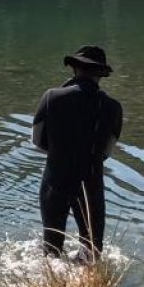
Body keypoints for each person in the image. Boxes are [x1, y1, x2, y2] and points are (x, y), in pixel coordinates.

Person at [32, 45, 124, 260]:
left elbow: (38, 141)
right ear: (101, 74)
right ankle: (91, 286)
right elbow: (106, 151)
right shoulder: (112, 107)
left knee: (51, 249)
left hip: (55, 178)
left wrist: (61, 151)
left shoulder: (51, 97)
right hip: (90, 180)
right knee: (92, 249)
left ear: (74, 69)